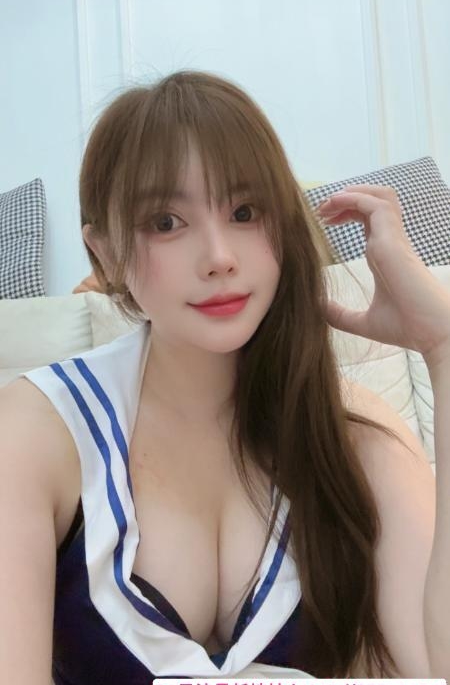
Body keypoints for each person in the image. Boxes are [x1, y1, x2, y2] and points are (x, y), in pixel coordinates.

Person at [1, 71, 449, 685]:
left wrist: (443, 349)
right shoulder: (36, 432)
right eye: (165, 222)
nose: (219, 257)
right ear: (105, 254)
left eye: (244, 212)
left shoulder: (357, 433)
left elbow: (435, 667)